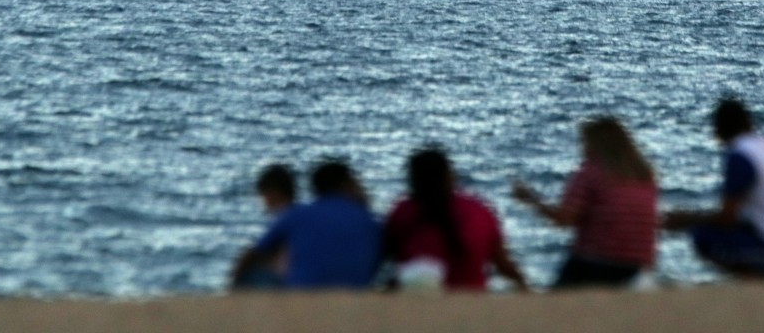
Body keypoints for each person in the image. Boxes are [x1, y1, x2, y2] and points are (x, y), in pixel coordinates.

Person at [661, 96, 764, 278]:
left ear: (719, 130)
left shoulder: (741, 155)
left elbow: (727, 218)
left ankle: (752, 283)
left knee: (704, 238)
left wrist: (683, 220)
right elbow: (742, 219)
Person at [513, 117, 657, 288]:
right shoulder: (644, 175)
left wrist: (531, 200)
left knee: (555, 303)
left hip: (597, 261)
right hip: (638, 264)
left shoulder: (591, 172)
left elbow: (565, 218)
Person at [384, 147, 528, 291]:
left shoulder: (402, 213)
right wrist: (526, 287)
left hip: (417, 304)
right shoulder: (478, 211)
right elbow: (503, 265)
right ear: (449, 176)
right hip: (473, 302)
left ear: (413, 180)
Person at [244, 159, 381, 289]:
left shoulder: (298, 215)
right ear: (348, 186)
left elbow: (253, 255)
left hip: (301, 294)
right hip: (355, 293)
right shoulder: (369, 222)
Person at [231, 164, 298, 289]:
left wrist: (233, 281)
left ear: (273, 193)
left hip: (295, 284)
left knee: (251, 273)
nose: (264, 202)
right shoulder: (302, 213)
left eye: (263, 196)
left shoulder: (286, 217)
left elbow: (253, 255)